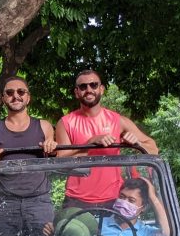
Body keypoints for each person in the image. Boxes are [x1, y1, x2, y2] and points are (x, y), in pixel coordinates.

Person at [55, 68, 158, 209]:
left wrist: (136, 143)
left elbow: (153, 149)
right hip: (76, 200)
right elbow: (60, 163)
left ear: (101, 89)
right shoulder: (65, 122)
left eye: (94, 85)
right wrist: (89, 143)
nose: (89, 89)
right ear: (76, 92)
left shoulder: (118, 120)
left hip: (114, 199)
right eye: (83, 87)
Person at [0, 77, 59, 236]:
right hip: (5, 203)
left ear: (28, 97)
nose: (15, 96)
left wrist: (52, 147)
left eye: (21, 92)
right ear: (3, 98)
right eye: (9, 93)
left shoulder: (44, 126)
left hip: (39, 201)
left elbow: (54, 153)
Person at [98, 177, 167, 236]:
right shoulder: (97, 223)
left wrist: (153, 197)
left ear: (143, 207)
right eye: (121, 197)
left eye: (131, 200)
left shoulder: (147, 234)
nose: (124, 202)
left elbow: (168, 235)